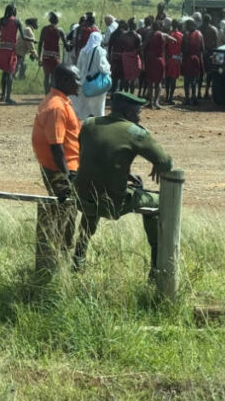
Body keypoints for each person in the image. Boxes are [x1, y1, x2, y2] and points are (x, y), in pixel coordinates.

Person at [73, 90, 174, 278]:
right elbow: (166, 162)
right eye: (138, 113)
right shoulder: (134, 132)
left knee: (93, 193)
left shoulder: (89, 124)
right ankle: (156, 264)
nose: (139, 118)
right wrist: (157, 165)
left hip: (83, 198)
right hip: (113, 204)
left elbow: (95, 157)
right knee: (159, 202)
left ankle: (78, 259)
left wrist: (122, 172)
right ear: (127, 112)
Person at [31, 64, 82, 258]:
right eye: (76, 79)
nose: (79, 83)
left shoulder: (58, 102)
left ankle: (58, 254)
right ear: (64, 81)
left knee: (65, 213)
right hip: (61, 170)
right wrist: (67, 178)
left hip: (63, 167)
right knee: (64, 214)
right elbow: (56, 146)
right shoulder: (56, 107)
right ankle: (58, 258)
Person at [73, 30, 111, 121]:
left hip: (84, 80)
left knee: (84, 105)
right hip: (96, 81)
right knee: (98, 105)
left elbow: (79, 66)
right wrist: (109, 71)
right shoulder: (100, 51)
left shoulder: (83, 50)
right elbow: (103, 67)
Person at [0, 3, 24, 104]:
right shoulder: (17, 21)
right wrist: (32, 40)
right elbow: (23, 36)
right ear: (13, 11)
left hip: (2, 48)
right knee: (10, 72)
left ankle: (2, 95)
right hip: (11, 49)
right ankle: (8, 97)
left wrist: (4, 35)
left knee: (4, 72)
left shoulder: (1, 20)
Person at [143, 20, 174, 109]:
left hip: (150, 60)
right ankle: (157, 102)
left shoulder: (150, 35)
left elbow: (143, 47)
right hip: (160, 60)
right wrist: (165, 44)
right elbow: (174, 40)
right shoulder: (164, 35)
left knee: (150, 82)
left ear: (152, 27)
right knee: (158, 82)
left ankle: (151, 102)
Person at [37, 11, 64, 93]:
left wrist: (39, 57)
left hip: (46, 57)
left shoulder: (44, 29)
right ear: (57, 21)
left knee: (46, 77)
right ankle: (51, 95)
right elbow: (66, 44)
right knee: (53, 78)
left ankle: (46, 94)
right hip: (55, 58)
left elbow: (40, 43)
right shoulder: (59, 30)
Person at [181, 17, 205, 105]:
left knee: (187, 80)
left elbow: (183, 49)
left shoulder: (185, 35)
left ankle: (187, 98)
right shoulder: (200, 34)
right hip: (196, 59)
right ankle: (194, 97)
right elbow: (203, 48)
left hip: (188, 59)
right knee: (194, 79)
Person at [200, 13, 220, 99]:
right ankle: (207, 91)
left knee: (200, 73)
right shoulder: (213, 30)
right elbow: (216, 43)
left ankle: (198, 92)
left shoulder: (199, 29)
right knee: (209, 74)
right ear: (210, 20)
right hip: (210, 53)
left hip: (202, 53)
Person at [164, 18, 183, 105]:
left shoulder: (168, 34)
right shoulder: (181, 35)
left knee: (167, 79)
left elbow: (165, 47)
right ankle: (170, 98)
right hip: (176, 60)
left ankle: (167, 96)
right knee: (173, 80)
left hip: (168, 59)